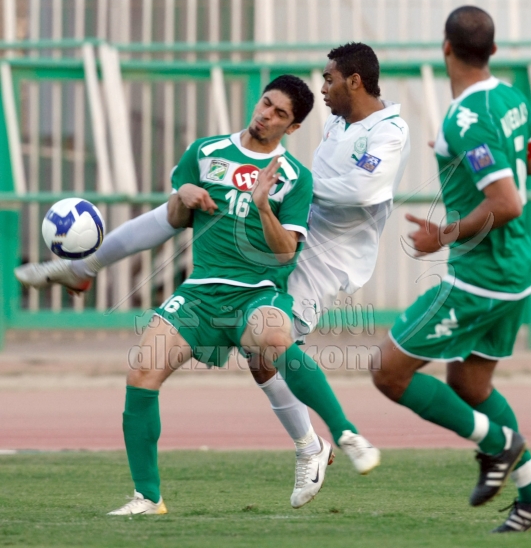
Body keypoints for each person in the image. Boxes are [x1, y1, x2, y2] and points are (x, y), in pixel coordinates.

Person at [16, 43, 409, 505]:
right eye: (266, 103)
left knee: (272, 345)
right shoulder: (318, 125)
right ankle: (84, 267)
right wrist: (201, 186)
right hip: (235, 268)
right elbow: (177, 212)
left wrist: (276, 181)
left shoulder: (387, 133)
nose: (323, 87)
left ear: (354, 82)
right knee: (208, 343)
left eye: (329, 79)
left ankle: (330, 438)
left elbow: (362, 190)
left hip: (326, 254)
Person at [369, 6, 531, 533]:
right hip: (516, 270)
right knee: (470, 384)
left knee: (388, 370)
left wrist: (442, 234)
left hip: (480, 277)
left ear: (446, 47)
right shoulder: (514, 99)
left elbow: (507, 202)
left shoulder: (464, 119)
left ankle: (499, 444)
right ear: (493, 50)